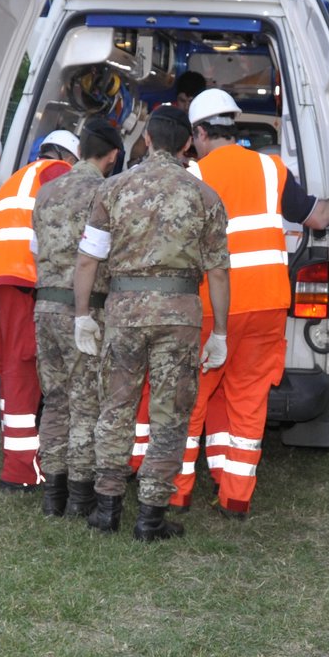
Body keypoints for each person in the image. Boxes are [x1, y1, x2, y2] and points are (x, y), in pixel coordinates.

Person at [174, 88, 329, 517]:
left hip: (209, 306)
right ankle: (235, 496)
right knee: (248, 399)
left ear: (201, 132)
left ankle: (176, 494)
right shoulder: (271, 168)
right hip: (267, 304)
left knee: (191, 399)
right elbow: (321, 218)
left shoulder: (193, 175)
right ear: (232, 127)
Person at [73, 105, 229, 542]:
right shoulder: (205, 196)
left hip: (123, 313)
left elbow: (88, 259)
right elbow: (217, 271)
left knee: (116, 408)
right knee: (170, 415)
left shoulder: (112, 189)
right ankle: (150, 518)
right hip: (179, 316)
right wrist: (220, 333)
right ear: (185, 145)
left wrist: (83, 315)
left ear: (145, 140)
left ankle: (106, 509)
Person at [0, 129, 78, 491]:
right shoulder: (58, 173)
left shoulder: (14, 179)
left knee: (9, 370)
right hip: (22, 279)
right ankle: (19, 472)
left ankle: (18, 450)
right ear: (70, 157)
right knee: (22, 371)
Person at [32, 117, 122, 519]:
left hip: (45, 308)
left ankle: (53, 495)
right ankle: (81, 497)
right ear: (113, 155)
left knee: (54, 400)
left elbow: (37, 247)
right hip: (84, 310)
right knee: (86, 404)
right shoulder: (106, 192)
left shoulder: (47, 191)